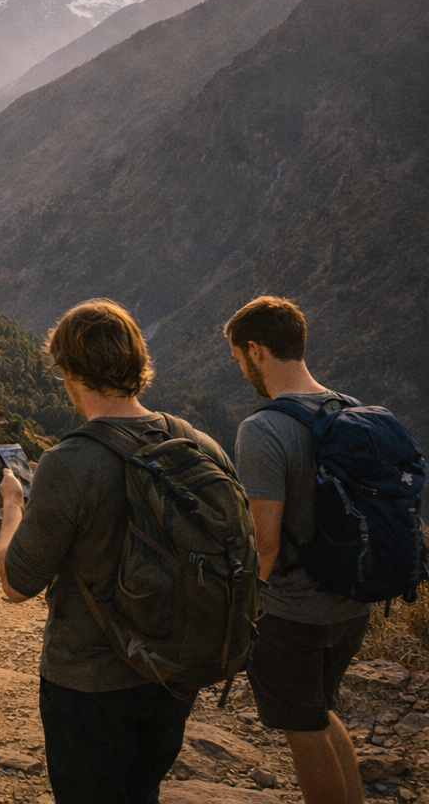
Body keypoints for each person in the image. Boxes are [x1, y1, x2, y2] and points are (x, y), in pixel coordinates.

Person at [0, 299, 236, 803]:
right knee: (142, 789)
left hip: (88, 681)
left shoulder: (69, 462)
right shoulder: (200, 444)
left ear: (69, 370)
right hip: (174, 668)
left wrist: (13, 507)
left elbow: (16, 584)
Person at [226, 296, 368, 804]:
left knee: (302, 731)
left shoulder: (263, 429)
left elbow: (264, 542)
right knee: (322, 713)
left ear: (257, 350)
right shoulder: (350, 410)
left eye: (241, 359)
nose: (242, 369)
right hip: (352, 602)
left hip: (291, 613)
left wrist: (244, 608)